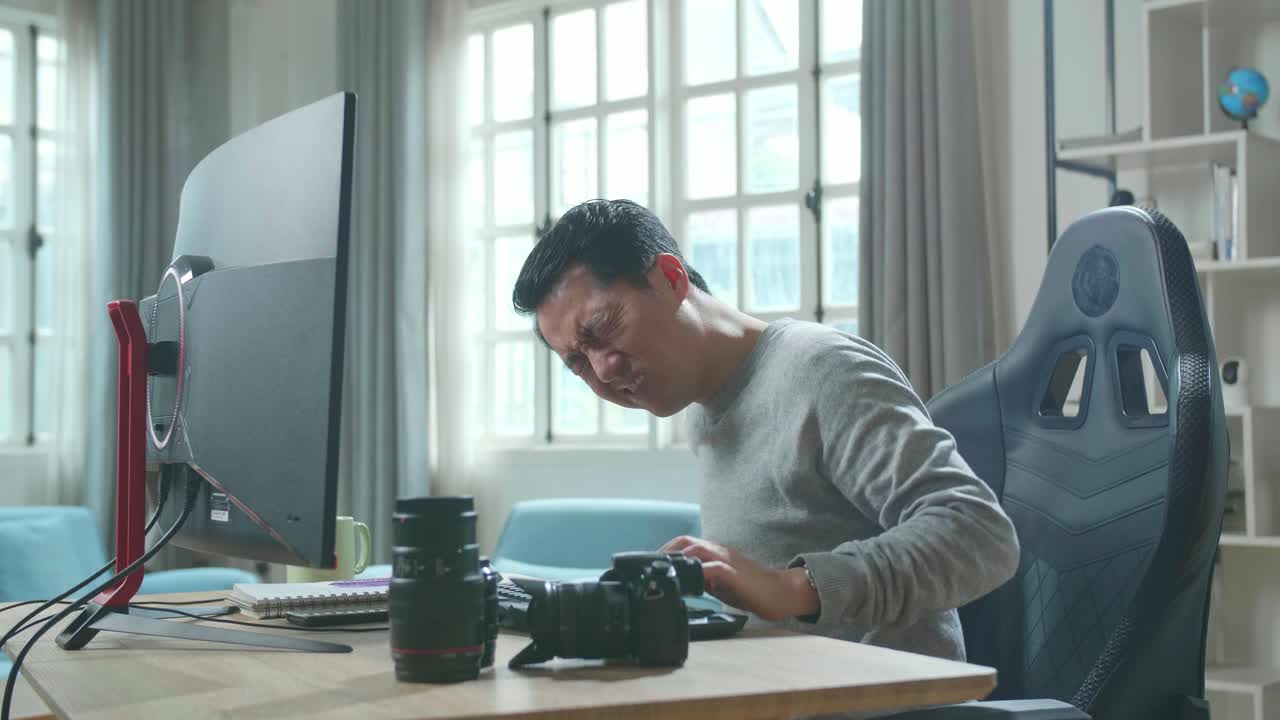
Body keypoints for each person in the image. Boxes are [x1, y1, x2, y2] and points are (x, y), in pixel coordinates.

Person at [511, 198, 1019, 661]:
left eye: (603, 329)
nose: (602, 371)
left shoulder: (821, 370)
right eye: (577, 362)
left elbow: (980, 532)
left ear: (670, 278)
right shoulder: (705, 412)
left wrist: (795, 588)